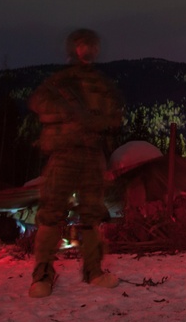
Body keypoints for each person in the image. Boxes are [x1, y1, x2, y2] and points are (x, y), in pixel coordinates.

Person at [27, 28, 125, 298]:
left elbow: (115, 116)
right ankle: (43, 274)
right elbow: (38, 103)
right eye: (83, 45)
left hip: (92, 155)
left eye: (92, 45)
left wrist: (96, 121)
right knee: (51, 213)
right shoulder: (60, 82)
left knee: (92, 215)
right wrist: (68, 114)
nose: (88, 50)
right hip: (64, 154)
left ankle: (93, 271)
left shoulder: (101, 84)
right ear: (74, 48)